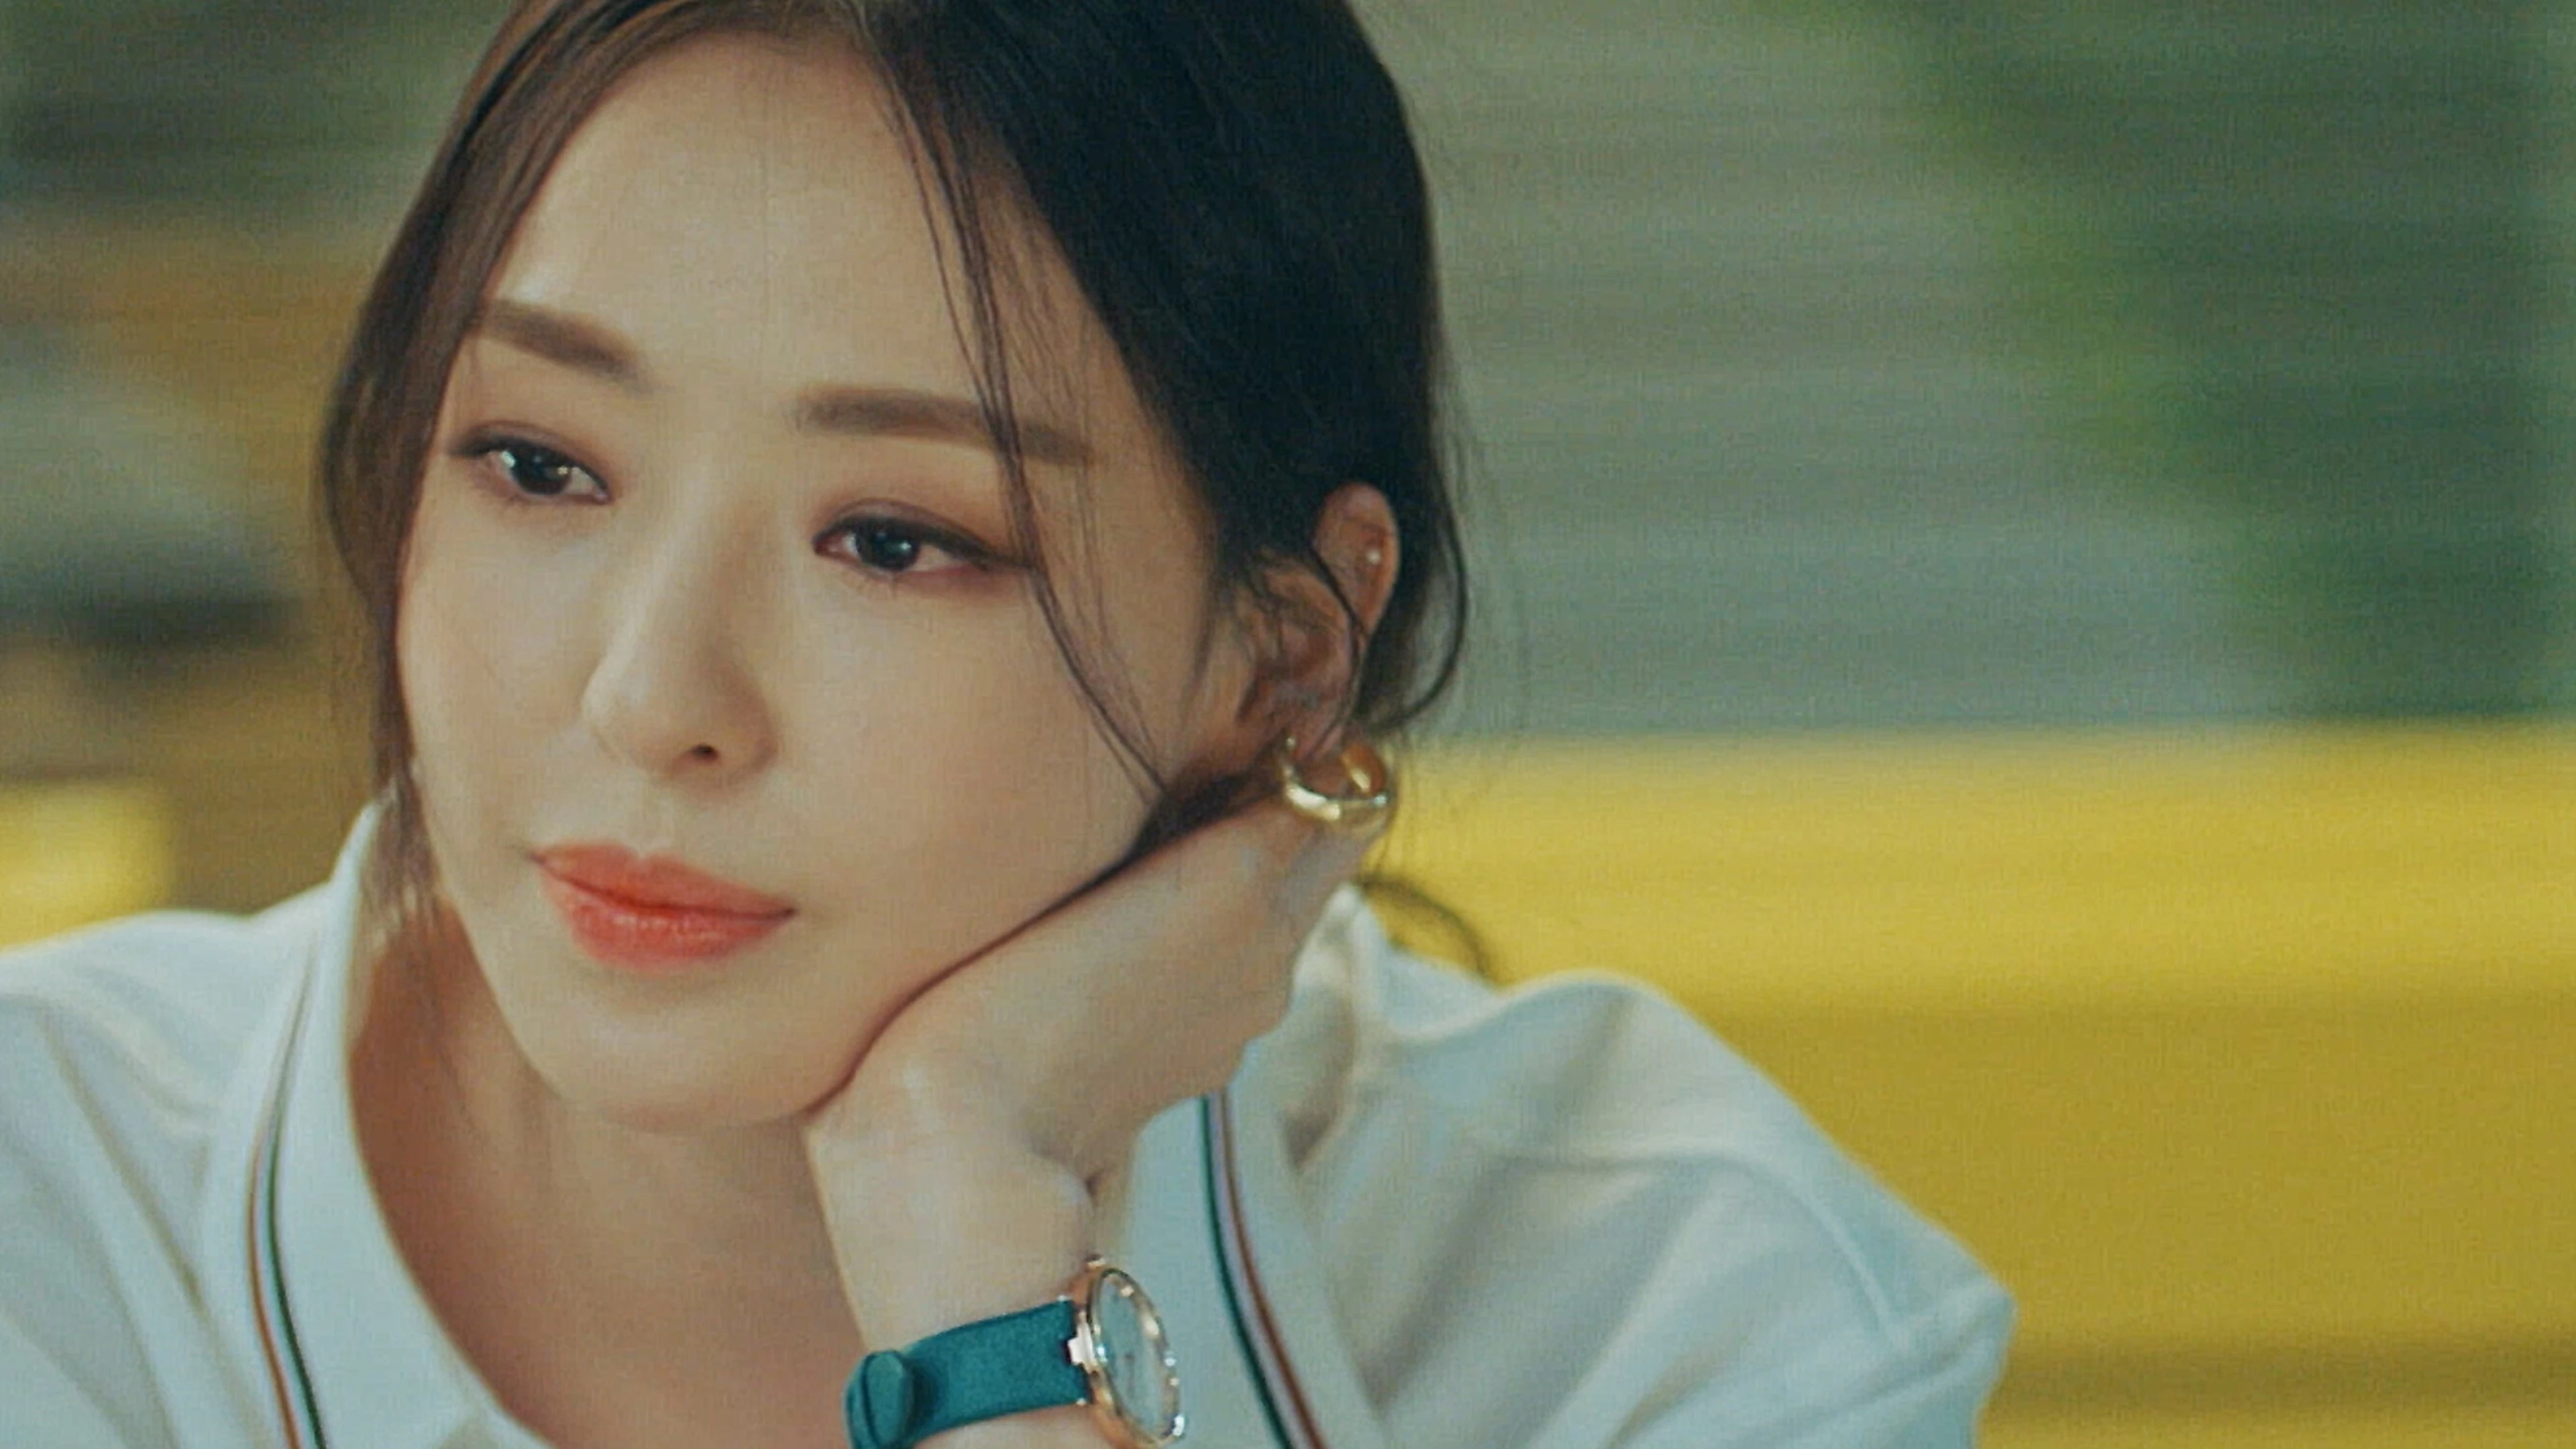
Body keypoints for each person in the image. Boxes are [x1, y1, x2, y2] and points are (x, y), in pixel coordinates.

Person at [0, 1, 2012, 1445]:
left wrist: (970, 1235)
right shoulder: (54, 1222)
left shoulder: (1651, 1316)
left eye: (892, 540)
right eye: (541, 464)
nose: (650, 697)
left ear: (1283, 655)